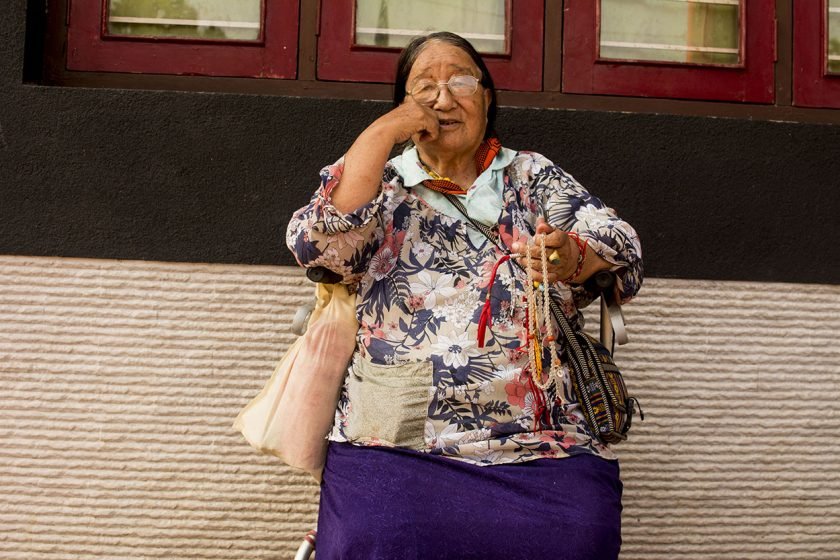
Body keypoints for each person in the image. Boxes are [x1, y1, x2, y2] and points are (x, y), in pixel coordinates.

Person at [286, 31, 642, 560]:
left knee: (577, 538)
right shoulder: (382, 183)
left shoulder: (530, 175)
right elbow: (316, 243)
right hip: (396, 444)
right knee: (372, 541)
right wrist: (386, 130)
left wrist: (571, 257)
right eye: (424, 87)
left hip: (541, 437)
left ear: (488, 97)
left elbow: (623, 247)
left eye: (460, 81)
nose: (444, 98)